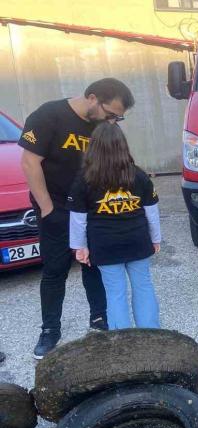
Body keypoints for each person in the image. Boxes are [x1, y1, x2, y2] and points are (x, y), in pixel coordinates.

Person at [19, 78, 135, 359]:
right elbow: (30, 162)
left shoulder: (104, 126)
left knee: (93, 264)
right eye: (111, 114)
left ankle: (99, 318)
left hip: (90, 207)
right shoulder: (48, 115)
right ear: (92, 98)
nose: (113, 121)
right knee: (55, 269)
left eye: (118, 118)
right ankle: (50, 330)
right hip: (55, 206)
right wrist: (47, 209)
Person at [68, 123, 161, 330]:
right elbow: (152, 213)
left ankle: (121, 341)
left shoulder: (84, 179)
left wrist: (80, 247)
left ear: (93, 148)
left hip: (104, 245)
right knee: (143, 286)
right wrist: (155, 239)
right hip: (137, 240)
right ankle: (152, 335)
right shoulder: (138, 175)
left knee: (114, 293)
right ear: (123, 146)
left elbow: (78, 219)